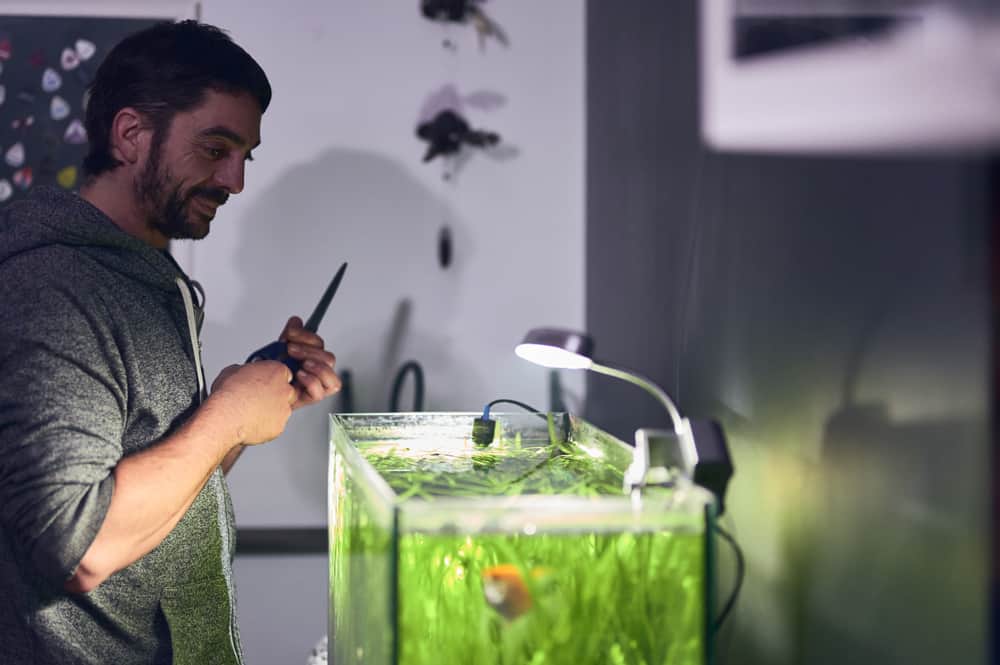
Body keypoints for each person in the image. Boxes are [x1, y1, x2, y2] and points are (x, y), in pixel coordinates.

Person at [0, 21, 340, 664]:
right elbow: (81, 547)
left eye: (245, 156)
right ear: (131, 135)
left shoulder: (147, 277)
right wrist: (226, 416)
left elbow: (159, 486)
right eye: (215, 148)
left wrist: (254, 405)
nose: (235, 181)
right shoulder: (54, 288)